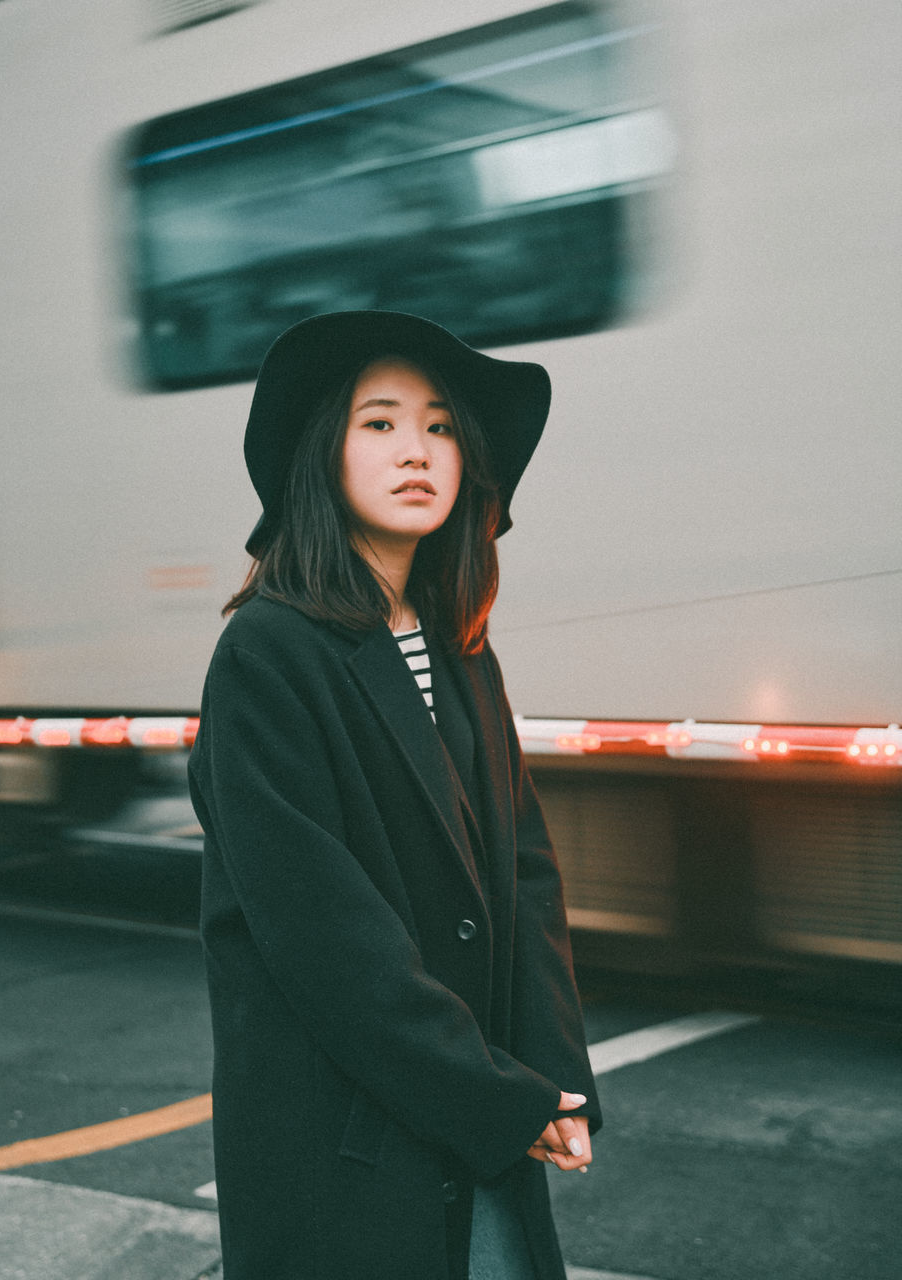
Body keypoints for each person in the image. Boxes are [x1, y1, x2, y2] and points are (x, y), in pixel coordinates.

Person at [188, 311, 601, 1280]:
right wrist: (501, 1099)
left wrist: (552, 1080)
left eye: (443, 425)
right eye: (379, 422)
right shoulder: (267, 653)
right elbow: (330, 942)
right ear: (320, 451)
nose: (417, 449)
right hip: (347, 1148)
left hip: (472, 1116)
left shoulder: (460, 645)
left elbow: (526, 875)